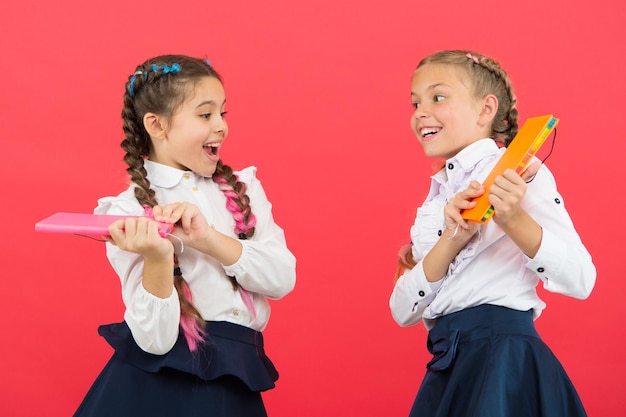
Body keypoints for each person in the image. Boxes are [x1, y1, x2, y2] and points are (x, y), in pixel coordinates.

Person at [74, 55, 296, 417]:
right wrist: (159, 258)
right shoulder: (128, 210)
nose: (221, 126)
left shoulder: (244, 189)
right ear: (156, 126)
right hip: (150, 393)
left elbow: (282, 279)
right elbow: (155, 340)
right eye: (205, 115)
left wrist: (204, 238)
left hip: (234, 381)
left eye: (223, 113)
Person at [389, 50, 596, 417]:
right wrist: (452, 239)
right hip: (449, 365)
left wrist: (513, 219)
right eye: (415, 102)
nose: (420, 111)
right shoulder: (435, 199)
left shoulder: (518, 174)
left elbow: (581, 279)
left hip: (503, 360)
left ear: (486, 110)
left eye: (438, 97)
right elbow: (402, 310)